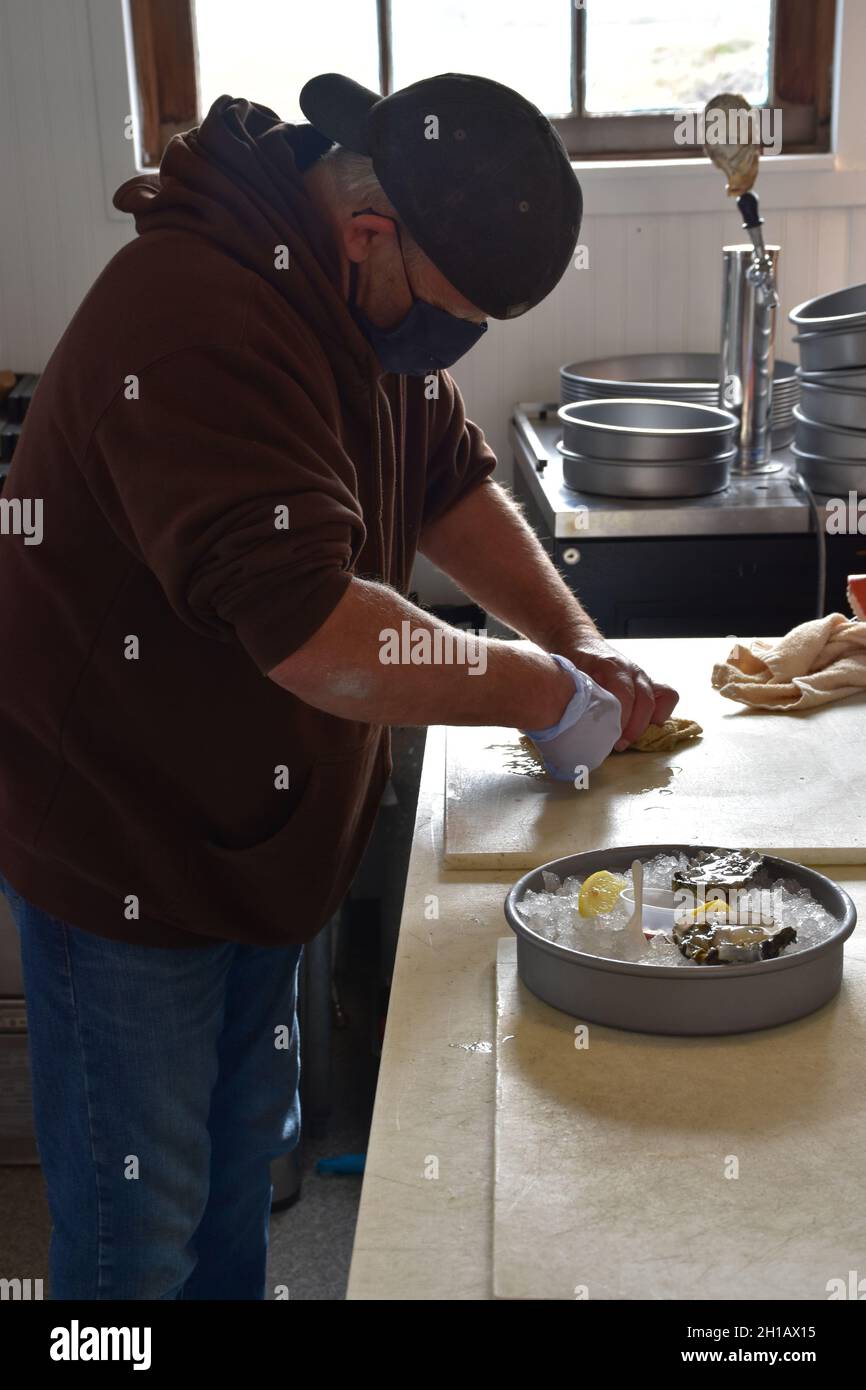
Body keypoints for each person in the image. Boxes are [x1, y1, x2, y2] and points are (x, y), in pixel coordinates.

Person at [0, 71, 677, 1299]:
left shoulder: (360, 295)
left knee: (245, 1169)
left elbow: (447, 486)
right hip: (127, 846)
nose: (449, 347)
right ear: (369, 230)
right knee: (135, 1231)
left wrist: (575, 641)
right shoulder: (194, 320)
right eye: (453, 315)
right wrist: (536, 693)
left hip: (261, 833)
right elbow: (319, 635)